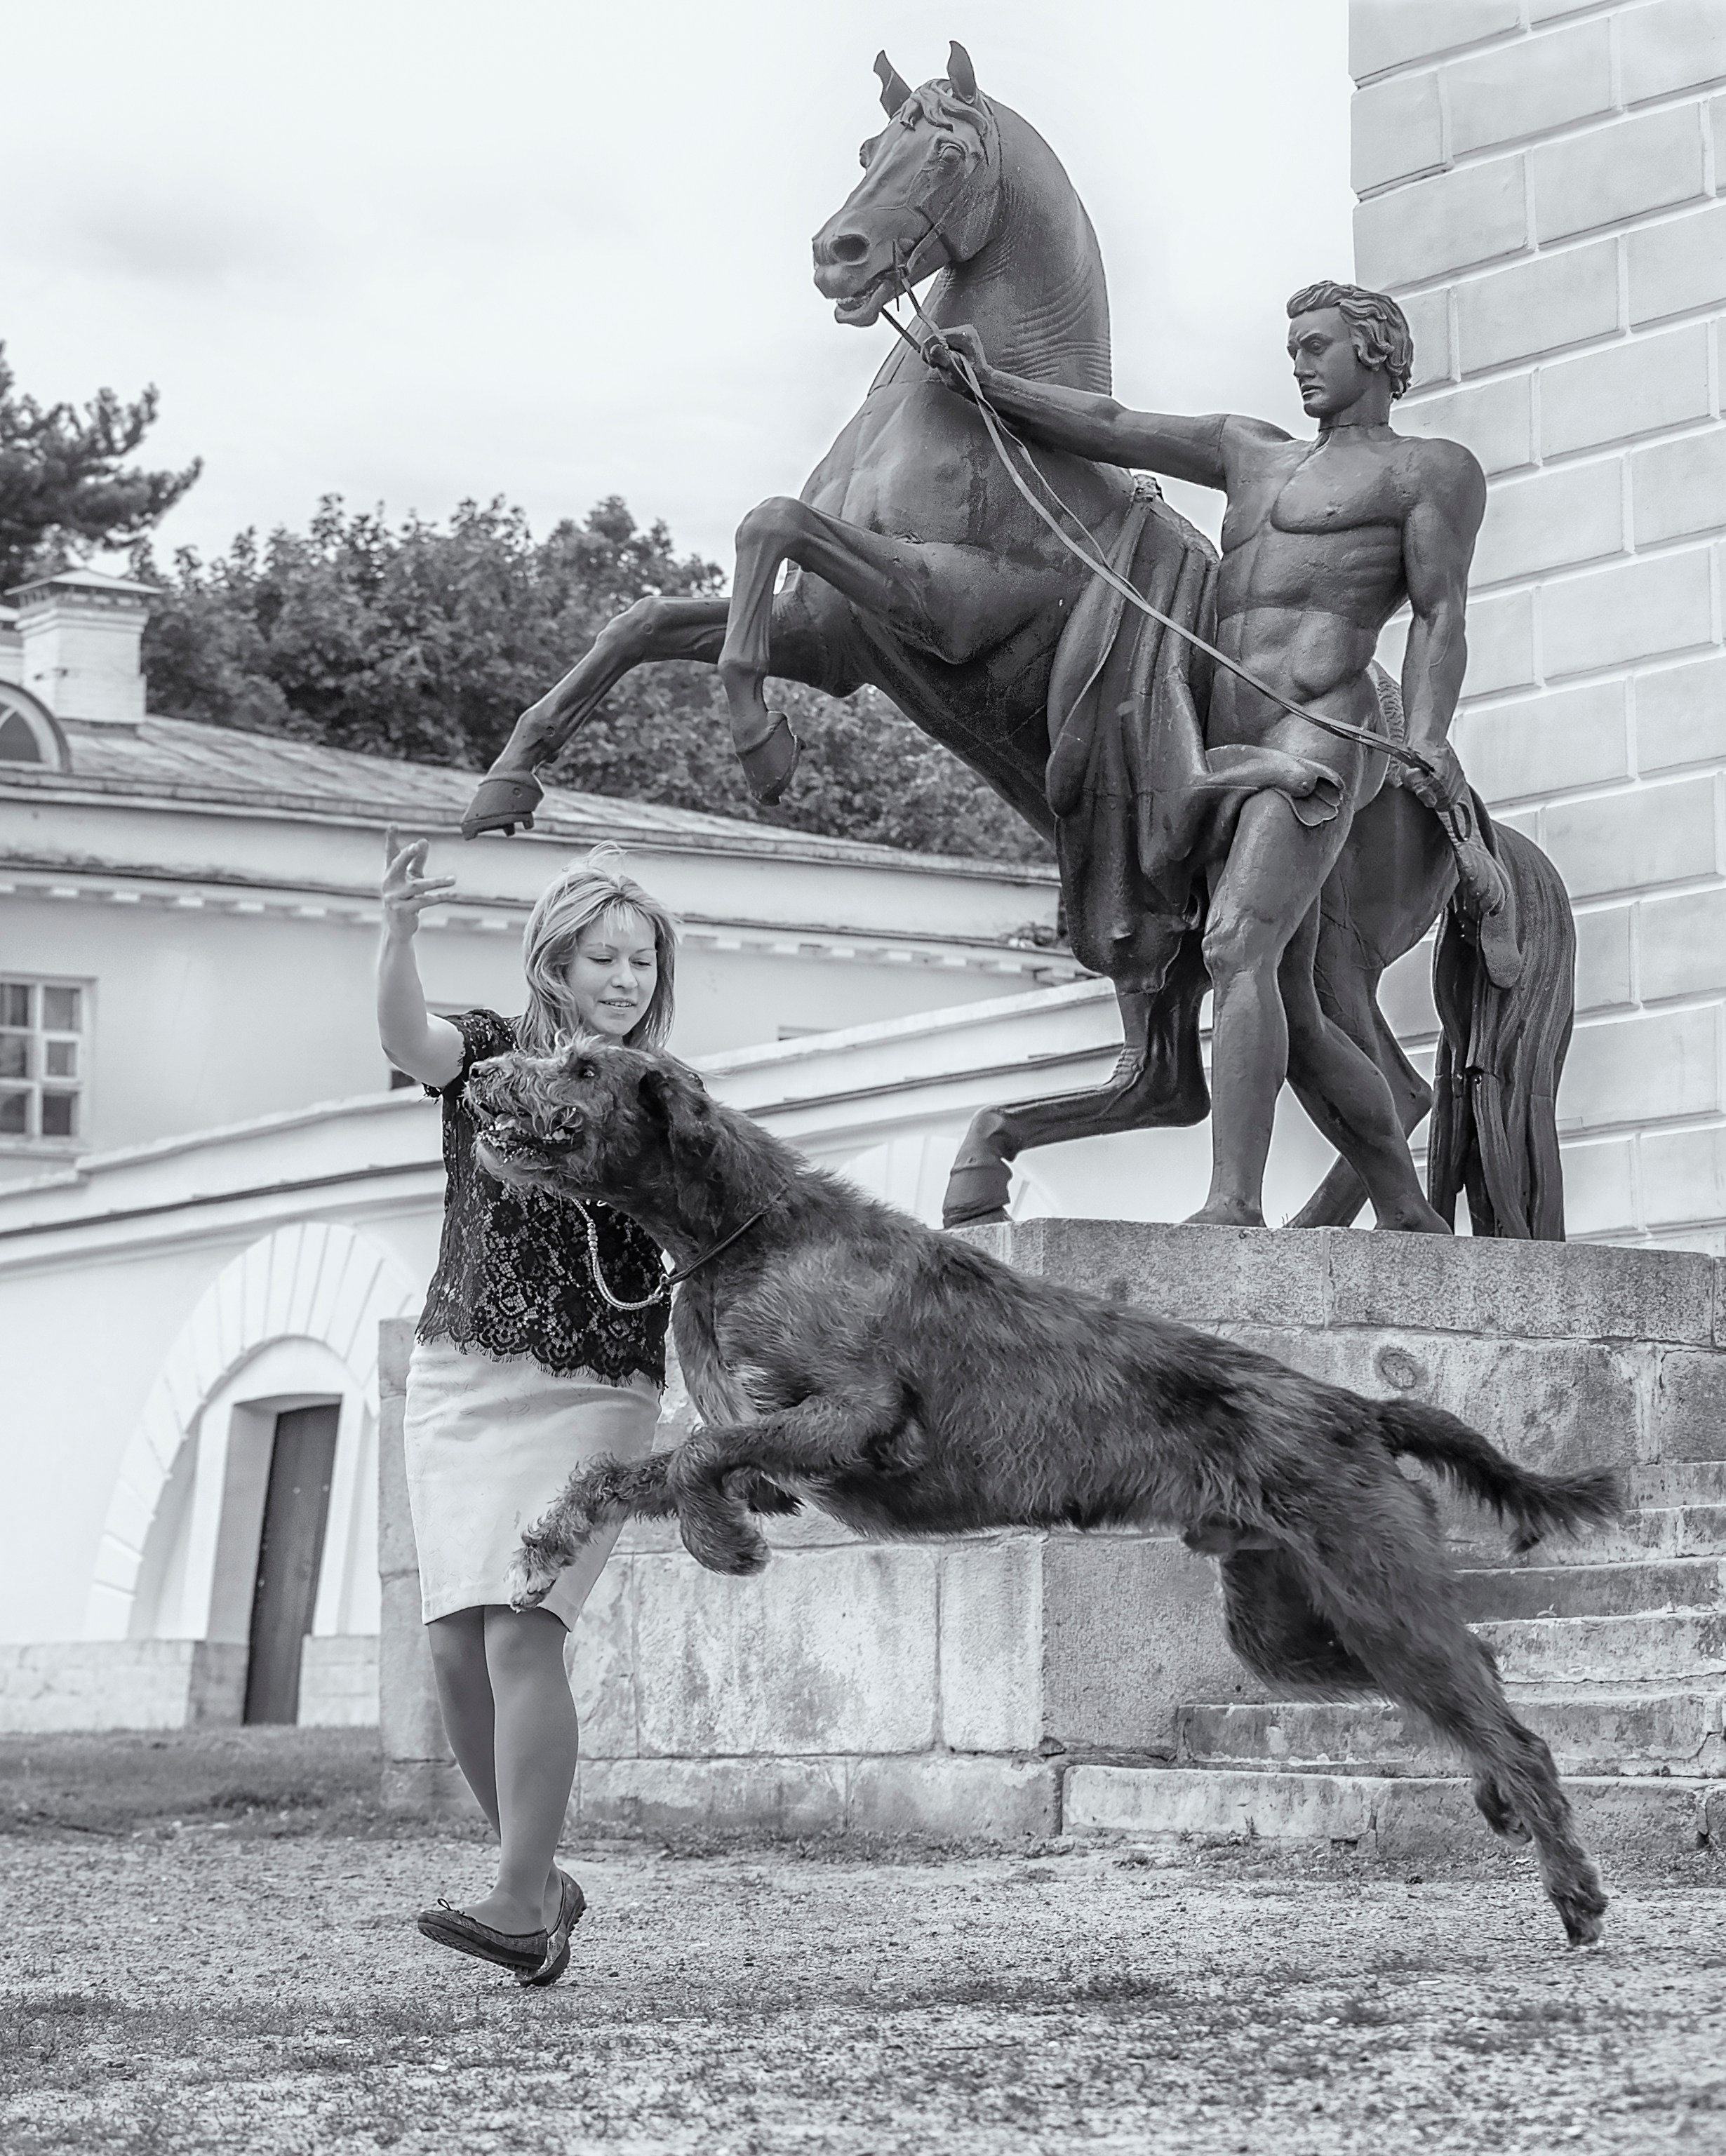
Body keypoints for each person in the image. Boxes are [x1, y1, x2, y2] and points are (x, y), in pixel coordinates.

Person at [925, 281, 1499, 1233]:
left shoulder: (1428, 471)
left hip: (1323, 723)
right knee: (1304, 1015)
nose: (1300, 362)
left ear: (1375, 353)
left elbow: (1442, 615)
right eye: (1293, 348)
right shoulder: (1250, 451)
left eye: (1317, 345)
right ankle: (1407, 1209)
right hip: (1224, 740)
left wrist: (1429, 733)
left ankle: (1232, 1201)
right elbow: (1110, 424)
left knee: (1236, 944)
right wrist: (994, 389)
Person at [378, 832, 678, 1986]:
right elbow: (409, 1038)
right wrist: (396, 934)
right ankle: (541, 1879)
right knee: (453, 1644)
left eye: (642, 961)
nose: (624, 979)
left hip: (600, 1386)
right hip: (463, 1371)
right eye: (603, 957)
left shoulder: (660, 1093)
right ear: (554, 961)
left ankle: (514, 1897)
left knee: (522, 1624)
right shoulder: (496, 1053)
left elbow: (718, 1230)